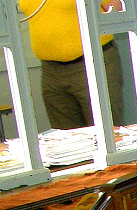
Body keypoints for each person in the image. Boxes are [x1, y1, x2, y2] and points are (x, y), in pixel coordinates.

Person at [19, 0, 125, 129]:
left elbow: (118, 10)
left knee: (107, 129)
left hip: (92, 63)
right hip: (51, 71)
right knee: (65, 135)